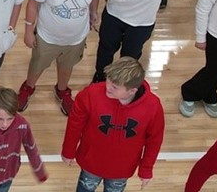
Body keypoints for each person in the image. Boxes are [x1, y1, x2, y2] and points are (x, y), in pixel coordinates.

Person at [60, 56, 165, 192]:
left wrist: (146, 169)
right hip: (90, 162)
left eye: (114, 87)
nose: (107, 88)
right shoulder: (89, 95)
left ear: (132, 90)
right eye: (108, 81)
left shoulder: (153, 106)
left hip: (121, 170)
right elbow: (74, 125)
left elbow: (154, 140)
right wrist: (68, 151)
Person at [18, 0, 103, 114]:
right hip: (47, 37)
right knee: (37, 65)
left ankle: (62, 90)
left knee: (67, 66)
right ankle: (28, 87)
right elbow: (33, 4)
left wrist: (94, 10)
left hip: (76, 38)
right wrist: (28, 31)